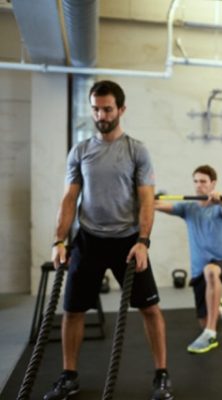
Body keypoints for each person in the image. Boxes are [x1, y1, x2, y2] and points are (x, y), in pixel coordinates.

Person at [47, 80, 173, 400]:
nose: (101, 115)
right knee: (73, 310)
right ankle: (69, 376)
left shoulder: (136, 150)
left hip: (128, 242)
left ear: (121, 110)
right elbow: (68, 199)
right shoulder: (81, 151)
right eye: (96, 109)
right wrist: (59, 241)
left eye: (107, 109)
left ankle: (161, 375)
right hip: (87, 240)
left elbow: (147, 200)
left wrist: (143, 240)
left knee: (150, 309)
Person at [155, 165, 222, 354]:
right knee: (204, 319)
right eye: (196, 181)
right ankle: (220, 308)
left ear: (213, 184)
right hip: (198, 271)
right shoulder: (189, 207)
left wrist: (221, 199)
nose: (198, 185)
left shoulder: (219, 208)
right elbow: (160, 206)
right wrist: (148, 199)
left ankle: (210, 333)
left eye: (203, 181)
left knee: (211, 271)